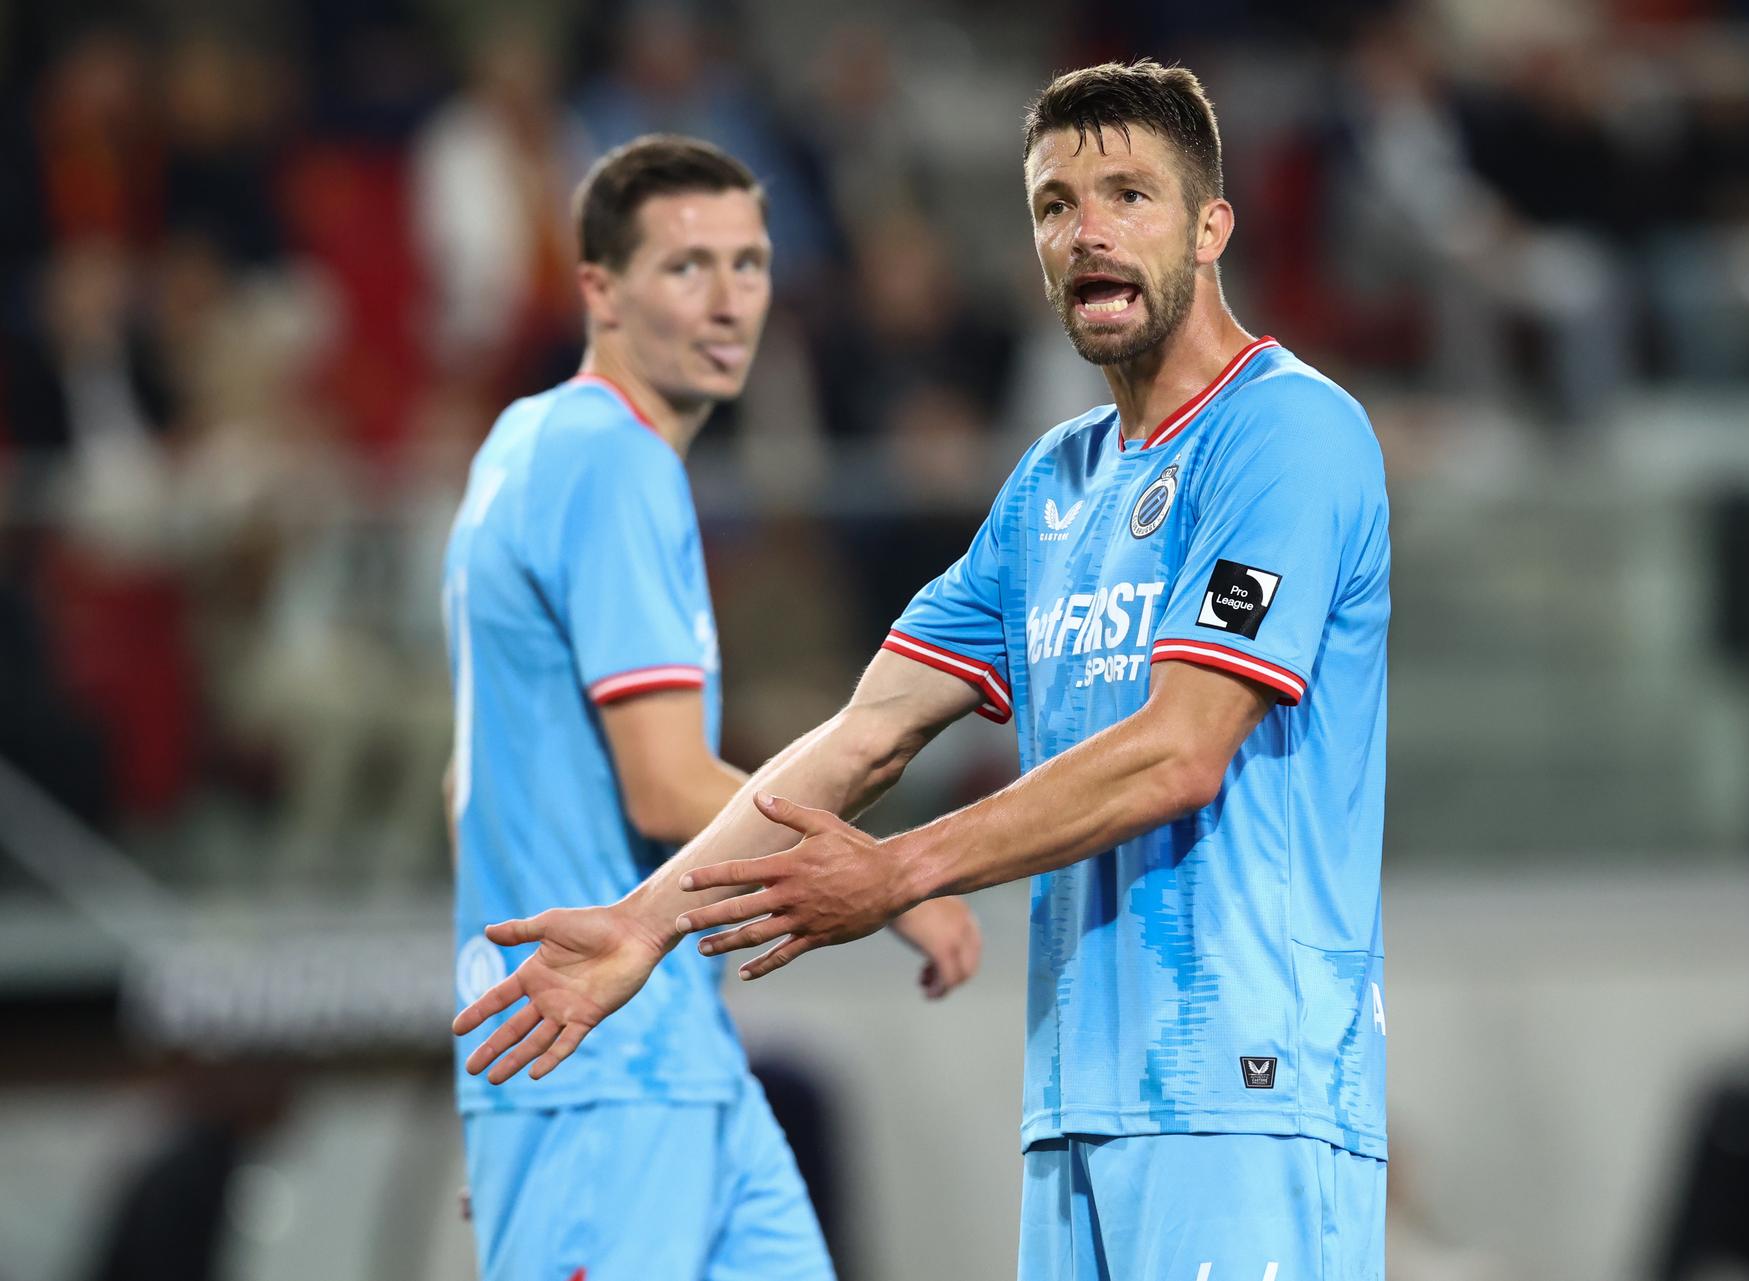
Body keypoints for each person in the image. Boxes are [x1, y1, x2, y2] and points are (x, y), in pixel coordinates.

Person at [456, 64, 1390, 1281]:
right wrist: (647, 922)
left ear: (1211, 226)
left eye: (1129, 195)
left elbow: (1181, 750)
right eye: (1055, 204)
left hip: (1247, 1092)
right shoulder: (1052, 486)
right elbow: (862, 736)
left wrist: (899, 871)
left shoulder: (1289, 432)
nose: (1088, 230)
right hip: (1078, 1101)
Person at [441, 134, 981, 1281]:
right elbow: (667, 782)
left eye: (750, 263)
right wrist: (888, 882)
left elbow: (465, 781)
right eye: (687, 267)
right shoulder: (614, 462)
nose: (730, 300)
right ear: (601, 290)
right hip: (607, 1059)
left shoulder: (522, 443)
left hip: (653, 1051)